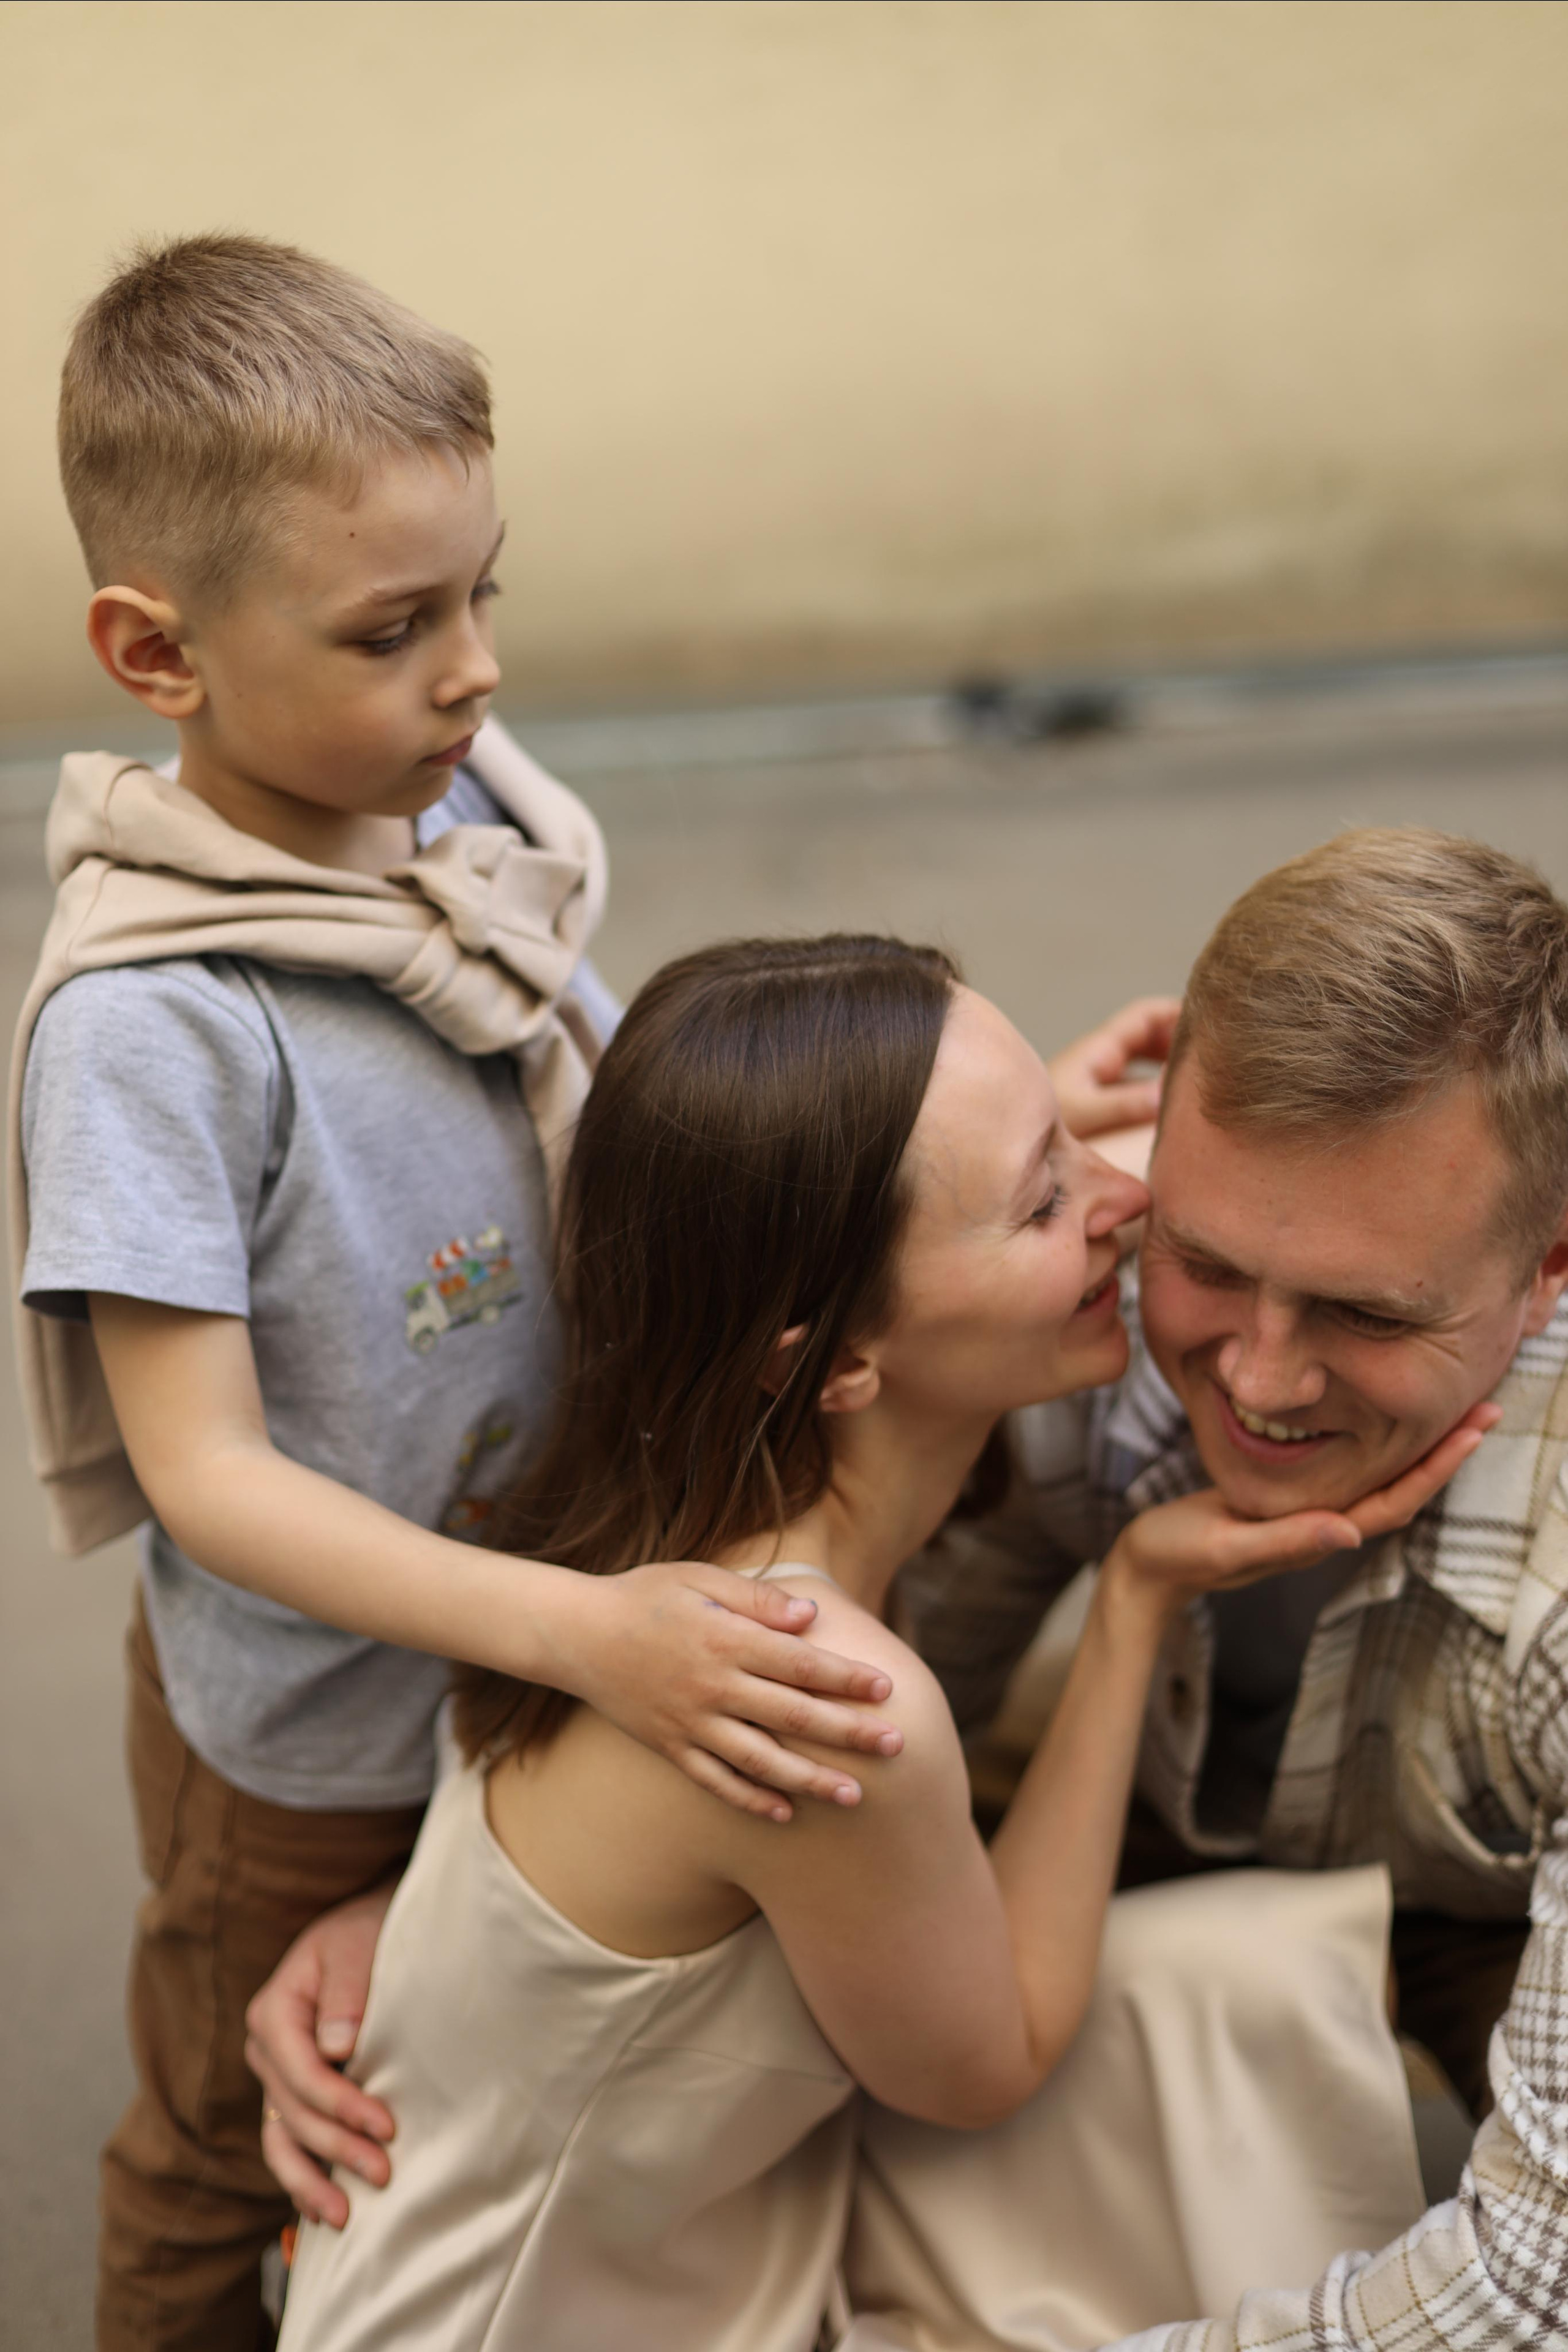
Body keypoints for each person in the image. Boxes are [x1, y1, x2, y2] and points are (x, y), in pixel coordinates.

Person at [10, 233, 905, 2350]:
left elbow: (642, 1133)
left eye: (486, 591)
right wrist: (591, 1633)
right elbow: (209, 1478)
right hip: (312, 1750)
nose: (477, 670)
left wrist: (958, 1157)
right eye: (394, 627)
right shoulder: (160, 1024)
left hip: (530, 1647)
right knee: (243, 2136)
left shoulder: (455, 828)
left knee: (445, 2094)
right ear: (158, 651)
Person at [269, 932, 1480, 2351]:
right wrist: (1136, 1600)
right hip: (550, 2316)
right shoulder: (814, 1679)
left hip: (699, 2206)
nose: (1127, 1197)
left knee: (1267, 1971)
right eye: (1044, 1201)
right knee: (1251, 1992)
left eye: (1071, 1134)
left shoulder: (675, 1506)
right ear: (834, 1360)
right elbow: (992, 2063)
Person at [854, 827, 1568, 2351]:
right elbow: (812, 1685)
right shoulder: (1055, 1312)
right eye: (1203, 1257)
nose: (1254, 1377)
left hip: (1495, 1906)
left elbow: (1525, 2289)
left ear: (1548, 1265)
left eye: (1367, 1313)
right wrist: (467, 1916)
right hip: (1166, 1806)